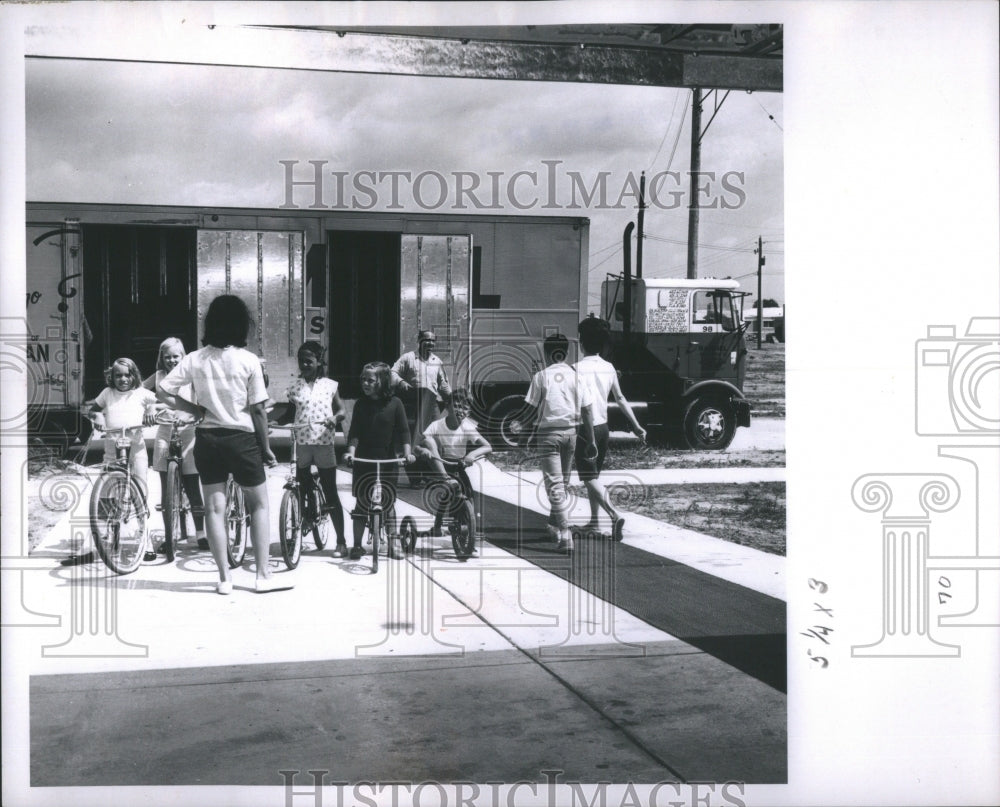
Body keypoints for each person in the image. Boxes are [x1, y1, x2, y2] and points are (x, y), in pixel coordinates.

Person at [157, 294, 288, 595]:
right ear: (242, 324)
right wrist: (266, 447)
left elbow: (163, 389)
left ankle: (224, 578)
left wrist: (193, 410)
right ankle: (263, 576)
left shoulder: (195, 358)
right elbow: (257, 410)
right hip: (241, 438)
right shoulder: (248, 360)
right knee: (258, 505)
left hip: (207, 438)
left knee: (214, 508)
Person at [572, 317, 647, 541]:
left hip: (584, 428)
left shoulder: (575, 369)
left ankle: (613, 515)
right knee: (594, 477)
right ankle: (594, 523)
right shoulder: (609, 367)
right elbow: (621, 399)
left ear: (581, 343)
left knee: (588, 478)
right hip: (604, 427)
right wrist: (636, 426)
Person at [521, 333, 596, 553]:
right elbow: (588, 410)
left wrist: (523, 433)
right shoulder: (577, 376)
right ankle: (553, 525)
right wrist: (590, 439)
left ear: (546, 353)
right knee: (561, 484)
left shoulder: (541, 376)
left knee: (555, 487)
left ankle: (565, 534)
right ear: (566, 352)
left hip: (547, 435)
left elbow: (530, 408)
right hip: (571, 434)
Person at [275, 340, 348, 556]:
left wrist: (335, 418)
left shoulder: (330, 385)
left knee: (330, 492)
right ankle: (306, 518)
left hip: (324, 443)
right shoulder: (295, 387)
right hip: (302, 445)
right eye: (301, 361)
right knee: (301, 486)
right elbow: (289, 414)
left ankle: (341, 542)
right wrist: (272, 423)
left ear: (319, 362)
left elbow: (342, 409)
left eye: (309, 361)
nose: (304, 365)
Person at [89, 357, 160, 560]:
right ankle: (108, 532)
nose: (123, 379)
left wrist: (151, 411)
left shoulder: (142, 393)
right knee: (107, 489)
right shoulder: (107, 394)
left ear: (134, 375)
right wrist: (99, 417)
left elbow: (153, 405)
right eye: (118, 375)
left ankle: (144, 537)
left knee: (140, 489)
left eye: (127, 375)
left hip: (135, 447)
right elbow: (93, 410)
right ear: (112, 376)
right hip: (113, 446)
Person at [344, 362, 414, 561]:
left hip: (388, 460)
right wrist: (350, 453)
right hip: (364, 460)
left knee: (388, 503)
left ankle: (393, 544)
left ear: (382, 382)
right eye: (363, 379)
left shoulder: (395, 404)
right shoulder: (360, 404)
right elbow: (354, 432)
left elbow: (403, 431)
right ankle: (357, 546)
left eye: (370, 380)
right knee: (361, 504)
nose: (365, 383)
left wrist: (407, 453)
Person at [143, 337, 208, 551]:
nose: (172, 360)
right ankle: (172, 535)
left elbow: (200, 402)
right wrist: (150, 408)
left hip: (188, 431)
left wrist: (193, 415)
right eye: (167, 356)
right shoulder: (159, 376)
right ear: (161, 358)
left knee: (192, 484)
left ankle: (200, 534)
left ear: (183, 356)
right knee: (167, 488)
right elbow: (139, 393)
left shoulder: (190, 376)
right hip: (165, 430)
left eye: (176, 356)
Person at [418, 388, 492, 542]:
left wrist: (471, 455)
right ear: (447, 405)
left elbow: (487, 446)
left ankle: (467, 530)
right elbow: (418, 445)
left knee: (468, 497)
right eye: (457, 405)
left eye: (465, 407)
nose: (461, 410)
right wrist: (423, 451)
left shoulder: (467, 426)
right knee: (428, 441)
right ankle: (445, 479)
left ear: (469, 411)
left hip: (457, 466)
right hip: (439, 464)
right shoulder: (437, 425)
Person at [391, 329, 451, 484]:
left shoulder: (437, 361)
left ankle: (431, 475)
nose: (430, 343)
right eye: (426, 340)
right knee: (414, 442)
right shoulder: (408, 358)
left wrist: (451, 400)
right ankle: (415, 478)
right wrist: (401, 382)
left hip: (431, 406)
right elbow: (392, 373)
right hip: (412, 406)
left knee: (435, 440)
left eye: (432, 340)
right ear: (419, 341)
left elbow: (443, 384)